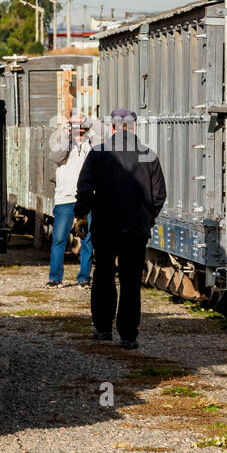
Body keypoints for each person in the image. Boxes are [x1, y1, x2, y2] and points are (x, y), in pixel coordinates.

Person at [74, 108, 166, 350]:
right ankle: (128, 335)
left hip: (105, 227)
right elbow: (159, 195)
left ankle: (103, 329)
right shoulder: (149, 155)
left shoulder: (98, 153)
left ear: (112, 127)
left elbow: (84, 188)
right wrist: (149, 217)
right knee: (131, 280)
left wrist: (81, 215)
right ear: (134, 127)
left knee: (103, 275)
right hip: (136, 229)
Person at [46, 113, 94, 289]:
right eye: (74, 127)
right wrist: (66, 133)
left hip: (87, 198)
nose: (77, 131)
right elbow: (56, 157)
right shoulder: (62, 144)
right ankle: (55, 278)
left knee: (87, 239)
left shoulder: (92, 146)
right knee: (59, 238)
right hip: (65, 198)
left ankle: (84, 278)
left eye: (80, 127)